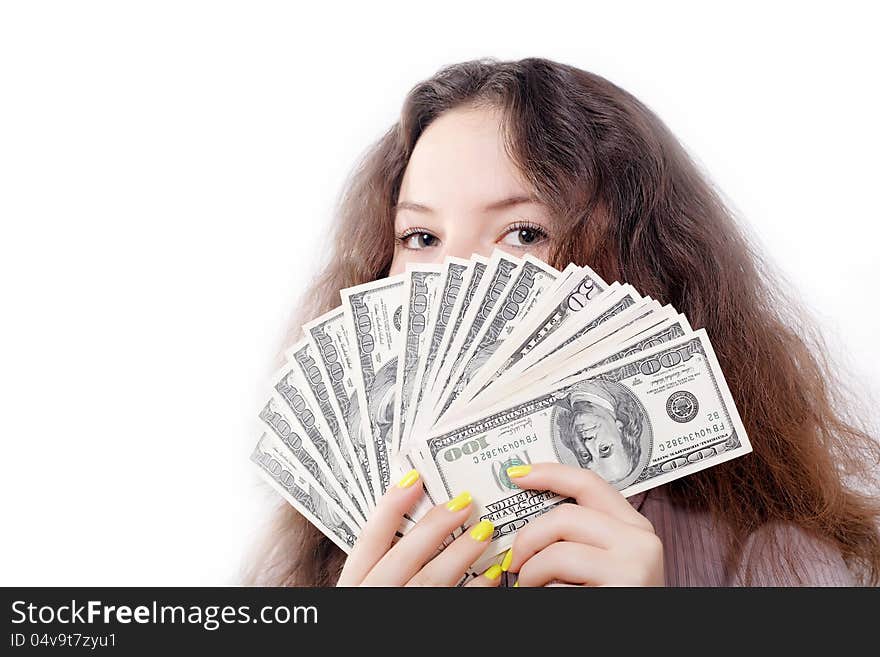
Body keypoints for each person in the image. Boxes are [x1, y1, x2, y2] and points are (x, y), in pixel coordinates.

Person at [244, 57, 880, 587]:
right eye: (420, 235)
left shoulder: (778, 565)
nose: (457, 278)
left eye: (524, 232)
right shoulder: (315, 564)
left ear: (633, 268)